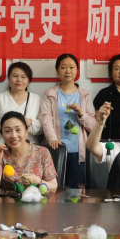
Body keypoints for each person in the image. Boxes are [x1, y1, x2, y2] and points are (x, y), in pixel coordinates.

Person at [39, 53, 95, 188]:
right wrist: (52, 138)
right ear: (57, 71)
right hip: (56, 149)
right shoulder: (49, 94)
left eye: (71, 67)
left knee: (75, 191)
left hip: (78, 151)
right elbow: (45, 119)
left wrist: (81, 113)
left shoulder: (85, 95)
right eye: (63, 67)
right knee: (53, 189)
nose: (68, 71)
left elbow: (93, 126)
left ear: (77, 70)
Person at [0, 112, 58, 192]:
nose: (14, 136)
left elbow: (54, 186)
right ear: (2, 134)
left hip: (37, 199)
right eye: (8, 131)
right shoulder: (1, 154)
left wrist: (38, 181)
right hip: (9, 199)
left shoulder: (42, 152)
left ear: (26, 131)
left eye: (18, 130)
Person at [0, 62, 42, 147]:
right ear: (9, 78)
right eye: (15, 76)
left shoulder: (36, 99)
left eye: (23, 77)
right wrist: (6, 122)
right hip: (2, 149)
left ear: (28, 80)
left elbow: (42, 129)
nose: (19, 80)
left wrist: (29, 123)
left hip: (29, 149)